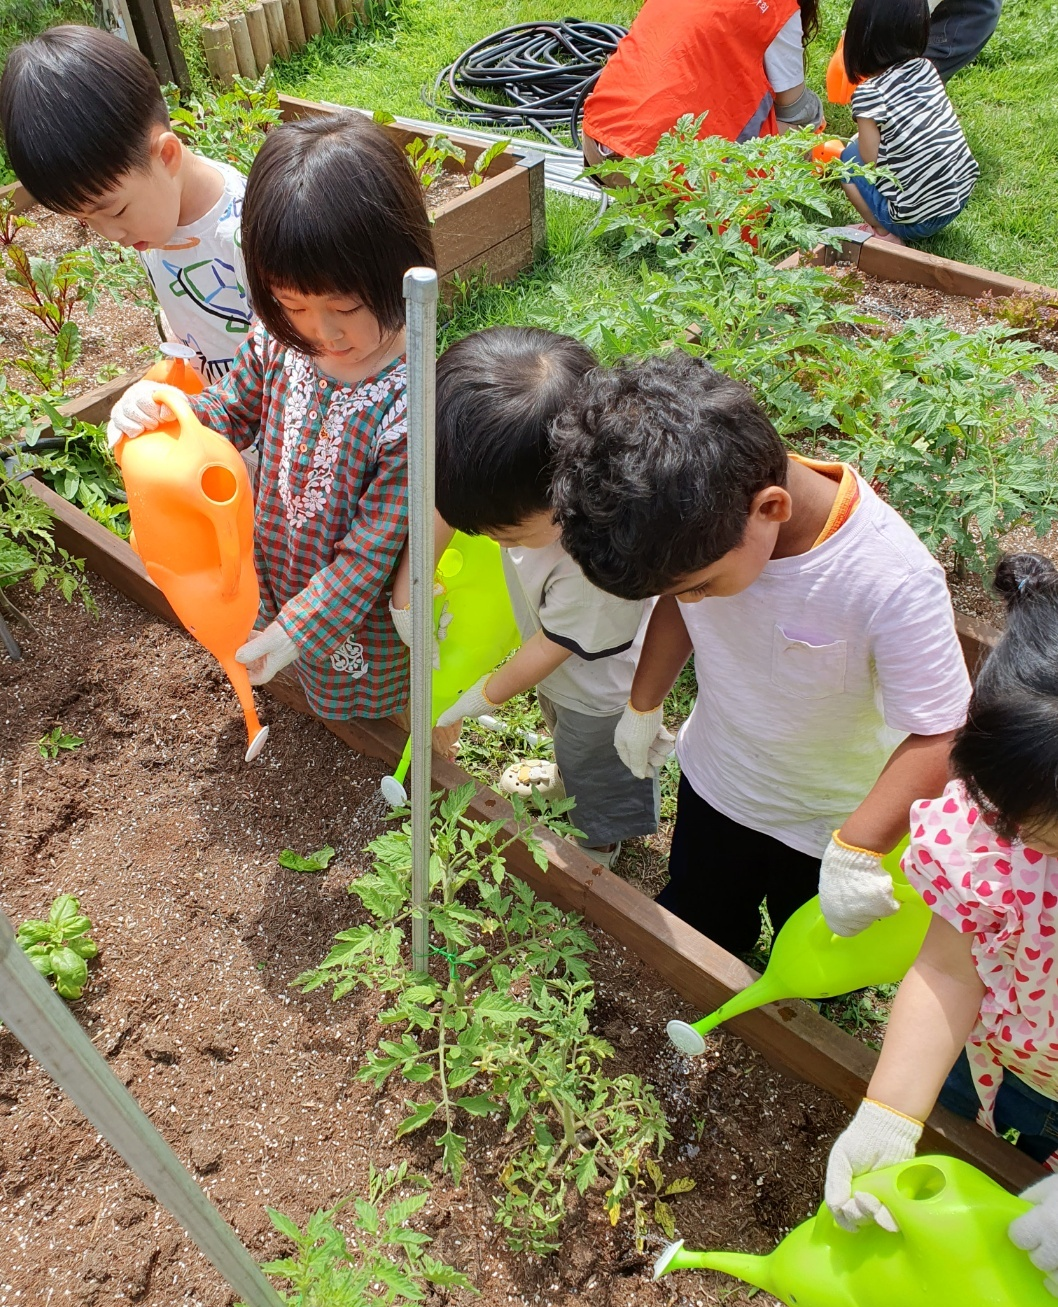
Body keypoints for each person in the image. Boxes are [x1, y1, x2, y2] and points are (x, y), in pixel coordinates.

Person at [549, 352, 971, 953]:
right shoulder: (708, 536)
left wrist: (860, 847)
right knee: (703, 917)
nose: (690, 598)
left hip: (828, 820)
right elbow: (680, 605)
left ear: (770, 508)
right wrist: (643, 705)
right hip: (719, 784)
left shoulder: (890, 580)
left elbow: (940, 733)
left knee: (812, 956)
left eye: (700, 585)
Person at [105, 112, 433, 727]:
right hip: (281, 569)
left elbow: (366, 559)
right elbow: (229, 413)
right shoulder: (279, 341)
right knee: (310, 682)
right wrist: (162, 419)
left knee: (397, 704)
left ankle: (424, 752)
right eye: (292, 305)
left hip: (355, 612)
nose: (323, 333)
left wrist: (289, 635)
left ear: (399, 269)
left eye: (346, 306)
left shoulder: (412, 405)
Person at [823, 554, 1058, 1293]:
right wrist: (889, 1112)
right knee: (958, 1150)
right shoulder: (998, 829)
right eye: (1007, 816)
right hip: (988, 1045)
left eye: (1047, 833)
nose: (1022, 842)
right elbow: (952, 967)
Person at [401, 326, 664, 868]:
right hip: (561, 669)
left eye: (505, 535)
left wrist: (482, 697)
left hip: (602, 692)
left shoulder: (602, 562)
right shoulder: (521, 483)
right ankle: (570, 782)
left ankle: (600, 842)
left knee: (598, 760)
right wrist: (411, 586)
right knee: (562, 733)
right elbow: (448, 507)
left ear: (564, 493)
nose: (495, 542)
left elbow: (553, 645)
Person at [0, 25, 251, 384]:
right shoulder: (154, 216)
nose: (112, 234)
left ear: (166, 155)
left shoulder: (247, 234)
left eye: (115, 211)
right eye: (86, 220)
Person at [581, 0, 824, 171]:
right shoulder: (776, 7)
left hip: (599, 143)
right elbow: (794, 107)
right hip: (661, 173)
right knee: (803, 125)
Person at [838, 0, 978, 245]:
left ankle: (882, 232)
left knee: (848, 160)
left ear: (860, 37)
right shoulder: (926, 68)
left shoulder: (869, 93)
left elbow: (870, 162)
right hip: (957, 198)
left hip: (915, 221)